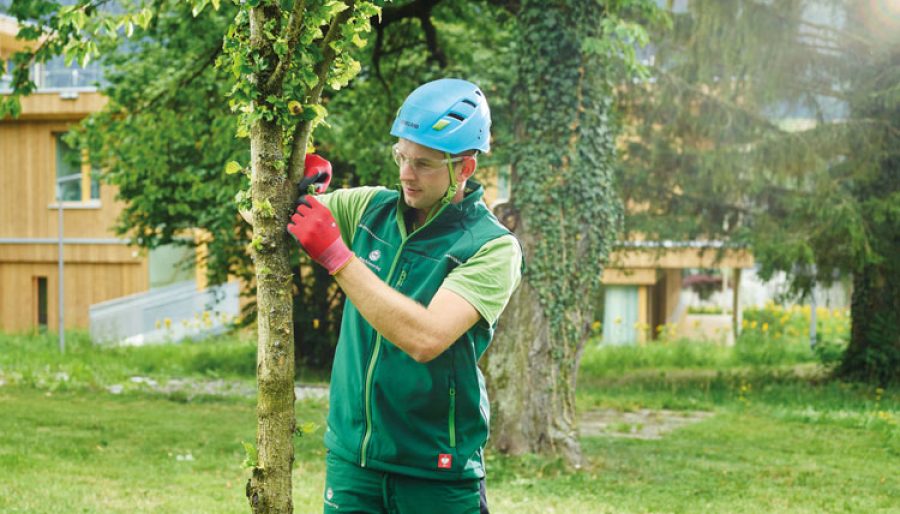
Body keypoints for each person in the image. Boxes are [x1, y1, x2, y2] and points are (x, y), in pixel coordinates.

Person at [287, 78, 523, 514]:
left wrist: (337, 257)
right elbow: (265, 215)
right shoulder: (369, 209)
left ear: (465, 168)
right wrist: (293, 183)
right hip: (353, 461)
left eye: (423, 164)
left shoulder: (491, 247)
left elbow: (426, 338)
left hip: (437, 472)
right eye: (401, 156)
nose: (404, 174)